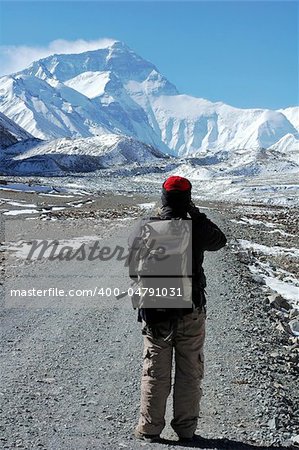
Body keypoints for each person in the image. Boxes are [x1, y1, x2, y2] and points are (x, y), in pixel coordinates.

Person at [128, 175, 227, 443]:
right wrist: (195, 214)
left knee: (155, 371)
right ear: (187, 198)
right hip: (190, 312)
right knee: (189, 371)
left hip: (156, 310)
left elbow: (133, 269)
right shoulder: (196, 226)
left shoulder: (147, 226)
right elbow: (220, 240)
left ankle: (149, 428)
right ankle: (185, 430)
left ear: (163, 197)